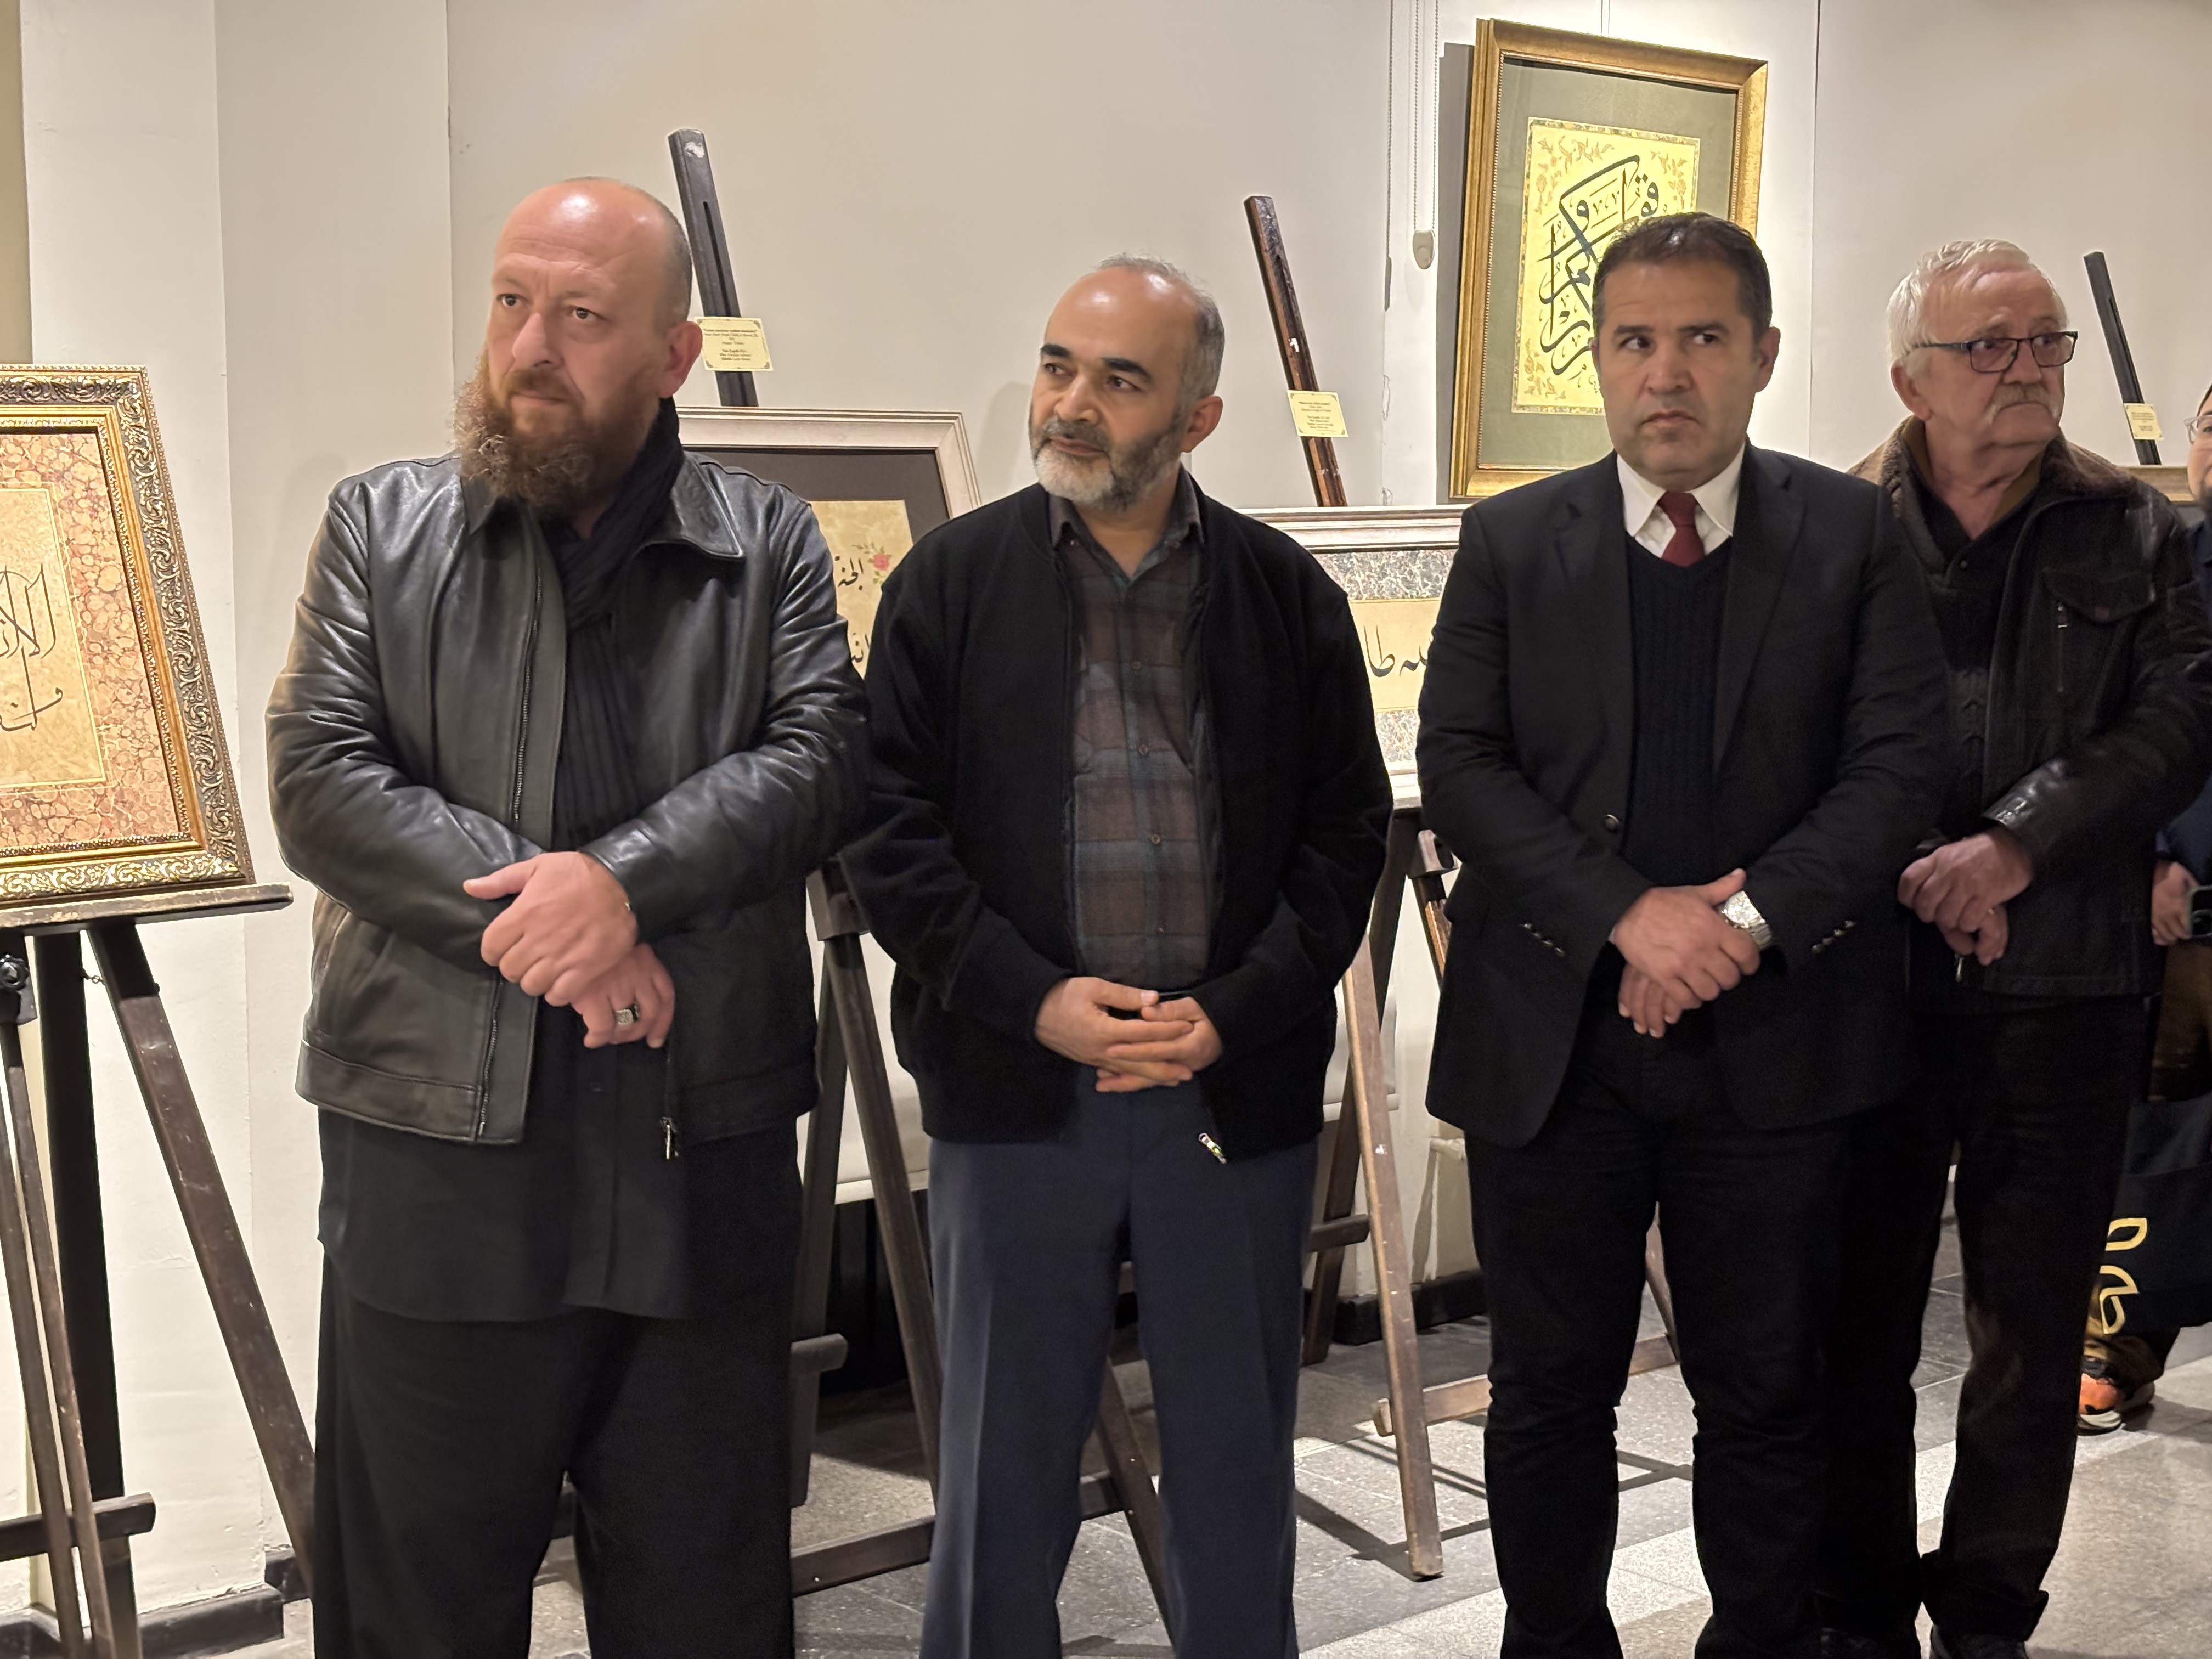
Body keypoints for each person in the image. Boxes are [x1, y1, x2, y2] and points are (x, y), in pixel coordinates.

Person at [266, 178, 868, 1658]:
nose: (530, 346)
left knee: (702, 1597)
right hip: (440, 1152)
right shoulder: (380, 526)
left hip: (699, 1141)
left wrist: (624, 887)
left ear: (672, 356)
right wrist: (556, 924)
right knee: (420, 1605)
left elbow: (820, 759)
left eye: (583, 315)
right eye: (511, 301)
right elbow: (322, 779)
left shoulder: (769, 542)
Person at [1418, 211, 1950, 1659]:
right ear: (1599, 359)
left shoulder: (1849, 535)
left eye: (1703, 337)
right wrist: (1632, 920)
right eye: (1635, 341)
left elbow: (1897, 767)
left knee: (1767, 1392)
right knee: (1549, 1393)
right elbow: (1461, 761)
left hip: (1775, 1044)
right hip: (1556, 1045)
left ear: (1762, 355)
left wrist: (1743, 926)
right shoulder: (1514, 539)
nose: (1667, 373)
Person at [843, 256, 1390, 1658]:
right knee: (999, 1477)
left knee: (1235, 1470)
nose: (1071, 404)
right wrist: (1034, 1002)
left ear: (1199, 418)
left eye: (1120, 380)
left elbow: (1343, 842)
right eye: (1057, 366)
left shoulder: (1284, 596)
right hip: (1022, 1087)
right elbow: (887, 832)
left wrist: (1232, 1014)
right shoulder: (950, 584)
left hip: (1226, 1094)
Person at [1818, 242, 2212, 1659]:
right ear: (1910, 378)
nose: (2030, 369)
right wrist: (1923, 869)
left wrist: (2013, 851)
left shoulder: (2135, 526)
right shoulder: (1834, 526)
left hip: (2069, 986)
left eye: (2047, 343)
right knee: (1853, 1332)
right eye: (1990, 346)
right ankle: (1860, 1611)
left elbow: (2178, 725)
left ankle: (1988, 1614)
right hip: (1872, 986)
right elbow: (1798, 741)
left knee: (2033, 1337)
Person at [2076, 380, 2212, 1431]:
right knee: (2155, 1132)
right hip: (2188, 908)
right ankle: (2117, 1347)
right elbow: (2146, 728)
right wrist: (2163, 855)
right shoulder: (2173, 563)